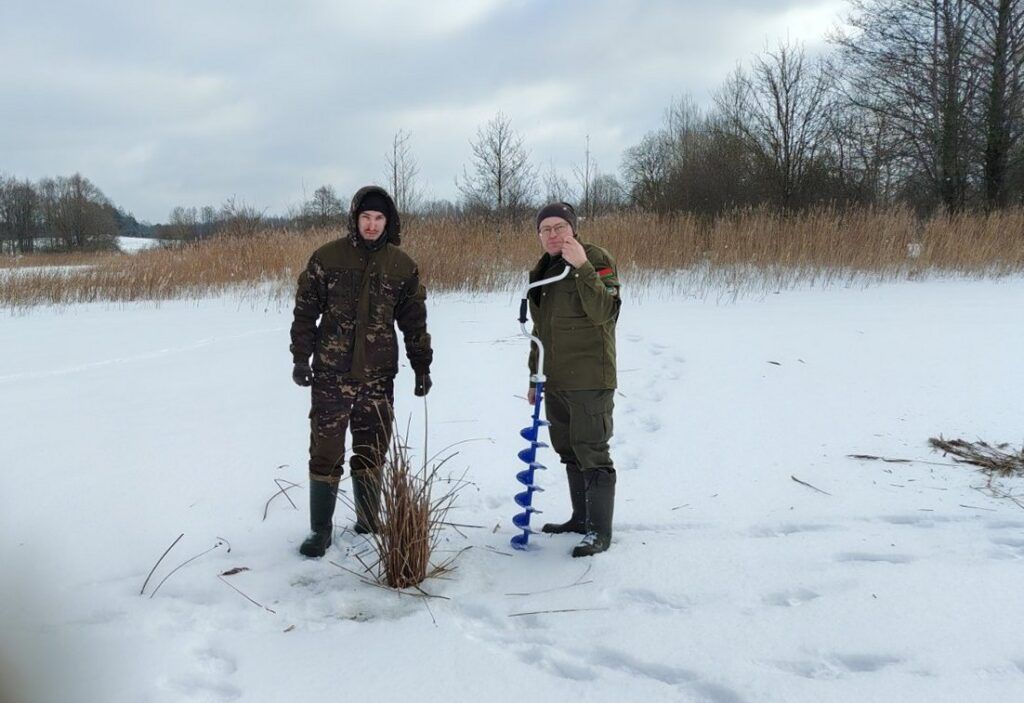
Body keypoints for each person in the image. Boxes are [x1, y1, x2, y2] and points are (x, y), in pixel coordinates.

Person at [290, 185, 433, 558]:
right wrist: (300, 358)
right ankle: (320, 530)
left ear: (388, 221)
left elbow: (414, 322)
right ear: (355, 219)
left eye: (379, 218)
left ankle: (369, 523)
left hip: (377, 377)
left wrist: (422, 365)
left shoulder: (401, 266)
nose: (372, 225)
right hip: (331, 377)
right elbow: (305, 313)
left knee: (372, 450)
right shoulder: (327, 258)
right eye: (365, 217)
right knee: (325, 451)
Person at [527, 202, 621, 557]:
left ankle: (599, 532)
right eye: (546, 229)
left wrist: (582, 267)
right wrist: (535, 377)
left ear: (573, 229)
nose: (553, 234)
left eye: (560, 227)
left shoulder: (595, 259)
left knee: (592, 450)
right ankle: (581, 519)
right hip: (554, 378)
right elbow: (540, 331)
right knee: (567, 449)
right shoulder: (543, 269)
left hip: (589, 377)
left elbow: (605, 312)